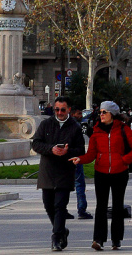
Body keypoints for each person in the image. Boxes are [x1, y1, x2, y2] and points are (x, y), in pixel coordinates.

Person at [72, 101, 132, 252]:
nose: (101, 115)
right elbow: (91, 154)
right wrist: (80, 159)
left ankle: (116, 240)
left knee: (117, 206)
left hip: (120, 173)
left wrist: (124, 160)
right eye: (100, 112)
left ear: (112, 114)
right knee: (100, 207)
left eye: (104, 112)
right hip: (101, 172)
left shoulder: (123, 129)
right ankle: (98, 239)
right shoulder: (96, 131)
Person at [31, 96, 87, 252]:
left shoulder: (75, 127)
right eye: (57, 109)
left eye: (63, 109)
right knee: (48, 206)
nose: (60, 112)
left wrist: (68, 151)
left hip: (65, 172)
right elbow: (36, 143)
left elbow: (81, 150)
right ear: (53, 109)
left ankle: (56, 238)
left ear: (68, 109)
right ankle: (62, 230)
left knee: (60, 206)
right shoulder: (46, 124)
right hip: (47, 171)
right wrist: (51, 149)